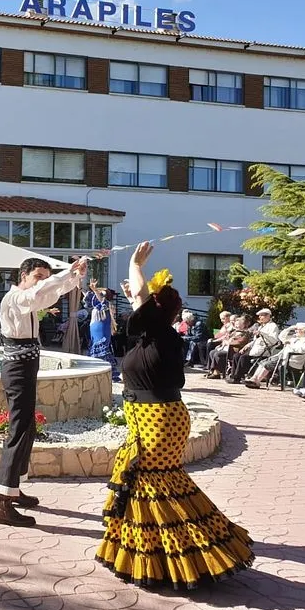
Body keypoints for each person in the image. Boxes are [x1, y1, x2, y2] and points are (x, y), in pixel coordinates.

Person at [95, 242, 254, 589]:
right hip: (150, 417)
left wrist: (135, 265)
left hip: (159, 419)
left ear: (155, 310)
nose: (138, 303)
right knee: (155, 485)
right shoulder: (155, 335)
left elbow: (140, 296)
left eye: (145, 302)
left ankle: (194, 551)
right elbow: (140, 303)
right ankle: (157, 554)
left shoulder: (161, 336)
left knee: (153, 483)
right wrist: (140, 294)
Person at [0, 256, 86, 527]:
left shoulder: (30, 298)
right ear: (23, 276)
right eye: (38, 276)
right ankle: (2, 503)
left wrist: (74, 276)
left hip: (25, 366)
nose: (42, 282)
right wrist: (67, 271)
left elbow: (51, 292)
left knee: (28, 427)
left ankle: (14, 489)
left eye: (46, 276)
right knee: (18, 430)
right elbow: (42, 292)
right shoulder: (15, 299)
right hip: (17, 368)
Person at [244, 322, 305, 389]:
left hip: (292, 360)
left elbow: (303, 350)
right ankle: (254, 379)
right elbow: (281, 336)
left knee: (268, 364)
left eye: (297, 329)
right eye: (295, 330)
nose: (295, 331)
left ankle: (257, 381)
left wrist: (290, 346)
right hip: (282, 357)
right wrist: (290, 328)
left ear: (303, 330)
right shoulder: (294, 338)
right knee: (263, 362)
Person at [84, 280, 120, 382]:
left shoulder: (107, 305)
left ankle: (107, 372)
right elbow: (88, 296)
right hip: (94, 328)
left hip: (102, 329)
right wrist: (80, 285)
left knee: (102, 348)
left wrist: (95, 290)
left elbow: (100, 299)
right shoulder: (96, 306)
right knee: (94, 348)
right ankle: (96, 371)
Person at [206, 315, 252, 380]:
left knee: (218, 354)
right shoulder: (234, 331)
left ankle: (217, 373)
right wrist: (222, 343)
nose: (236, 326)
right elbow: (225, 338)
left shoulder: (246, 333)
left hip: (234, 350)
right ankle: (212, 370)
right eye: (236, 324)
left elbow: (240, 342)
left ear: (243, 325)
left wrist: (228, 342)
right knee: (212, 352)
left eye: (238, 324)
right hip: (227, 348)